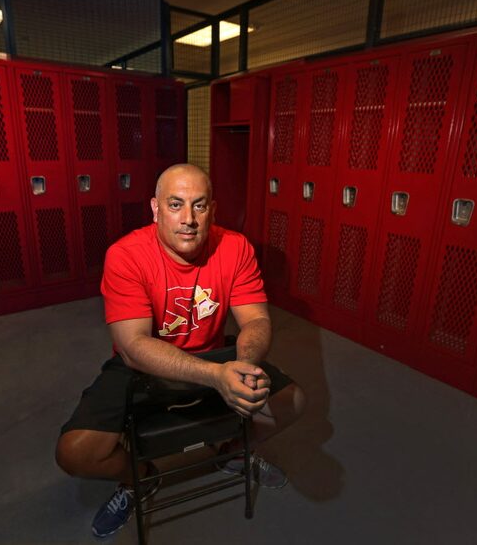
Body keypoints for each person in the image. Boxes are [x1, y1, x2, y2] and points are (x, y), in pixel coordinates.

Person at [55, 164, 306, 538]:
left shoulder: (235, 247)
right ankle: (139, 477)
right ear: (155, 209)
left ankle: (234, 451)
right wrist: (216, 377)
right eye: (175, 205)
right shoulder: (126, 255)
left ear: (213, 210)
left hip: (214, 356)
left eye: (199, 206)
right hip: (145, 365)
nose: (188, 219)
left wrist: (243, 366)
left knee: (293, 402)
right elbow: (134, 346)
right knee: (74, 452)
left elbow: (256, 321)